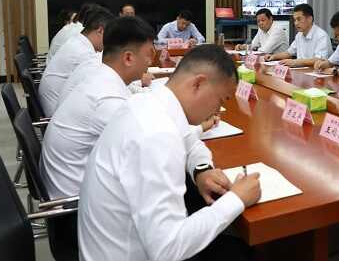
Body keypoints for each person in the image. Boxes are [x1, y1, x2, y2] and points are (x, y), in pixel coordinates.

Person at [78, 45, 261, 261]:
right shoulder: (157, 135)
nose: (217, 111)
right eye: (220, 101)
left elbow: (190, 141)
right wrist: (236, 199)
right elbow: (168, 250)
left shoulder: (151, 101)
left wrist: (201, 170)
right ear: (198, 84)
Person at [40, 16, 155, 199]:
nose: (150, 62)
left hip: (75, 186)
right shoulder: (107, 99)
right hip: (74, 205)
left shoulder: (100, 77)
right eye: (149, 54)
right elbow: (149, 149)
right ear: (128, 58)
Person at [39, 5, 114, 117]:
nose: (110, 42)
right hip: (56, 112)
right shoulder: (84, 53)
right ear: (100, 31)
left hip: (55, 105)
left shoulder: (77, 41)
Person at [266, 4, 332, 67]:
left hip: (315, 71)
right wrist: (273, 56)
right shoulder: (299, 35)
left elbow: (319, 59)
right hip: (301, 70)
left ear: (309, 19)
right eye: (295, 20)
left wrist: (296, 62)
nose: (296, 23)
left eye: (299, 19)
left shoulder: (321, 36)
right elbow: (289, 53)